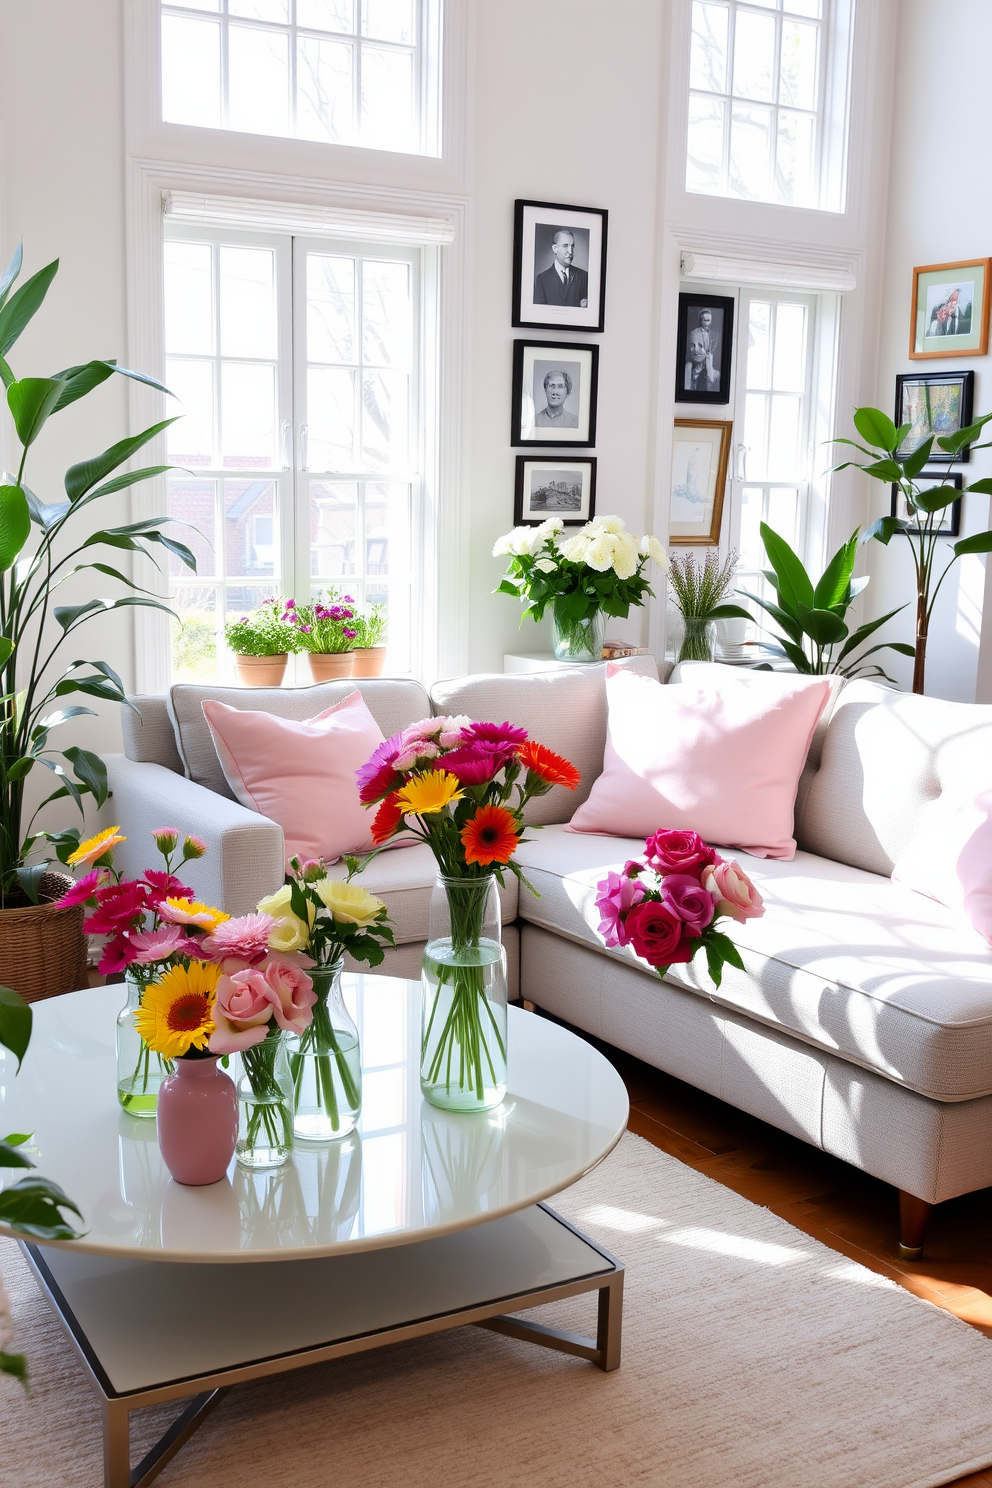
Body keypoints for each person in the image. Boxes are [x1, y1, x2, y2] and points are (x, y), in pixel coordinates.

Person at [534, 229, 589, 308]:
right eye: (565, 246)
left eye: (572, 246)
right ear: (555, 248)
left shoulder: (584, 276)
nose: (570, 252)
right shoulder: (542, 279)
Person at [683, 328, 718, 393]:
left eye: (700, 346)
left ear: (707, 349)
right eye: (692, 345)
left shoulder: (716, 376)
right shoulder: (686, 370)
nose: (696, 349)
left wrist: (709, 371)